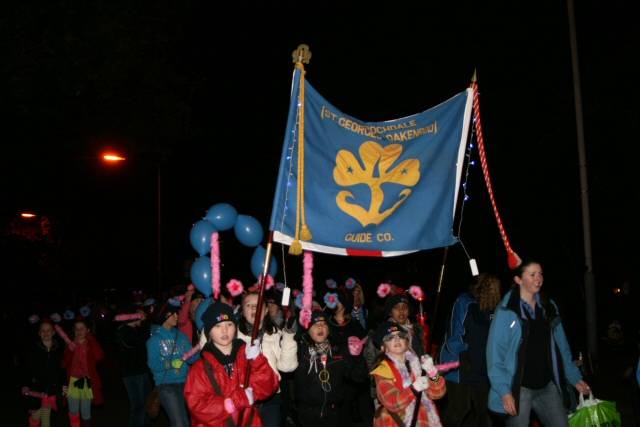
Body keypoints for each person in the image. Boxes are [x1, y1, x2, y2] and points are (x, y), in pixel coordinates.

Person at [486, 259, 591, 426]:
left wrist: (574, 378)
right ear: (518, 280)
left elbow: (562, 348)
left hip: (547, 385)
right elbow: (495, 356)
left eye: (540, 274)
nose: (538, 278)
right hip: (519, 389)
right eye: (532, 274)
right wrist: (505, 392)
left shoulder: (548, 307)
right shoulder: (506, 312)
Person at [184, 301, 279, 426]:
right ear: (209, 333)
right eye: (217, 326)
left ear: (235, 328)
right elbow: (196, 405)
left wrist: (258, 361)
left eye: (229, 324)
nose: (224, 330)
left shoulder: (247, 357)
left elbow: (269, 386)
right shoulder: (200, 368)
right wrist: (232, 403)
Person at [440, 273, 502, 427]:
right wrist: (464, 356)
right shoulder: (464, 302)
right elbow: (454, 336)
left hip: (484, 367)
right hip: (461, 365)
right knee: (460, 409)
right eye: (491, 287)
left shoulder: (495, 309)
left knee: (485, 411)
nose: (496, 291)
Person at [293, 310, 368, 427]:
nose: (320, 327)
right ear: (308, 330)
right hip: (306, 414)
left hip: (334, 413)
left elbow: (359, 377)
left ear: (328, 329)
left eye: (323, 324)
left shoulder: (338, 351)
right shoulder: (299, 352)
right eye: (315, 324)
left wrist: (357, 357)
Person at [237, 291, 298, 427]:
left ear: (265, 311)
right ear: (242, 311)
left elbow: (287, 367)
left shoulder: (274, 334)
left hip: (271, 397)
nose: (254, 308)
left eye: (258, 305)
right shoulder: (235, 335)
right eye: (248, 305)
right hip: (244, 397)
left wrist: (288, 336)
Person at [370, 320, 445, 426]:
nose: (396, 339)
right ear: (383, 347)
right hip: (397, 422)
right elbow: (392, 403)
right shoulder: (383, 370)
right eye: (390, 338)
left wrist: (433, 373)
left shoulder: (417, 365)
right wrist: (414, 389)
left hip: (425, 420)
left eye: (400, 336)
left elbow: (438, 393)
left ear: (406, 342)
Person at [146, 299, 196, 427]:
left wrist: (201, 350)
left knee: (188, 421)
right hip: (166, 385)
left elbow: (191, 359)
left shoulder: (182, 336)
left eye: (177, 313)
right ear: (165, 317)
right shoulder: (154, 340)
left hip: (185, 383)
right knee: (179, 423)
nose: (177, 316)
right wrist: (172, 364)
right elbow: (153, 365)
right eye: (173, 314)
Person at [62, 317, 105, 427]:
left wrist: (91, 339)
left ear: (88, 330)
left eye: (82, 328)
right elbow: (63, 363)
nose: (79, 331)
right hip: (73, 381)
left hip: (86, 382)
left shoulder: (90, 344)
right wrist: (69, 351)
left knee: (86, 413)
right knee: (73, 411)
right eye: (76, 329)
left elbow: (99, 356)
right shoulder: (71, 344)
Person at [115, 304, 152, 427]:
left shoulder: (132, 330)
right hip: (133, 374)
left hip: (141, 371)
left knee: (146, 404)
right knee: (138, 406)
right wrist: (145, 324)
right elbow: (140, 341)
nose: (142, 317)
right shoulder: (125, 331)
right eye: (139, 315)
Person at [24, 319, 65, 427]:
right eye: (43, 331)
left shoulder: (58, 349)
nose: (46, 333)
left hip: (53, 387)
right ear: (39, 333)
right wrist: (26, 384)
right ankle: (33, 420)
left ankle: (33, 420)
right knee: (42, 413)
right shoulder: (34, 349)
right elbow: (28, 368)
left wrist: (63, 384)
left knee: (46, 414)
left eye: (48, 330)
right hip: (38, 387)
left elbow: (62, 368)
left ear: (53, 332)